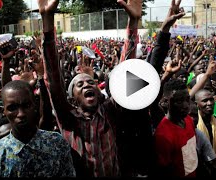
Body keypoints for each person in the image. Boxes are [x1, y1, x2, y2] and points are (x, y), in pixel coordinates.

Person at [39, 0, 186, 177]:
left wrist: (133, 23)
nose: (87, 84)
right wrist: (47, 23)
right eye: (80, 84)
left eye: (90, 82)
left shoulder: (109, 112)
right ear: (72, 99)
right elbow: (54, 81)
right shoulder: (68, 119)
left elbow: (124, 74)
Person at [0, 80, 76, 177]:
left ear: (35, 105)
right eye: (12, 108)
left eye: (26, 106)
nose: (21, 114)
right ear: (3, 111)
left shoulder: (56, 144)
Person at [154, 79, 197, 177]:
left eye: (187, 99)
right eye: (179, 101)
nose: (186, 106)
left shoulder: (188, 120)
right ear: (166, 101)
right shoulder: (163, 135)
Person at [194, 89, 216, 175]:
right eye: (205, 101)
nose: (209, 103)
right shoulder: (194, 125)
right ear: (196, 104)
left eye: (211, 99)